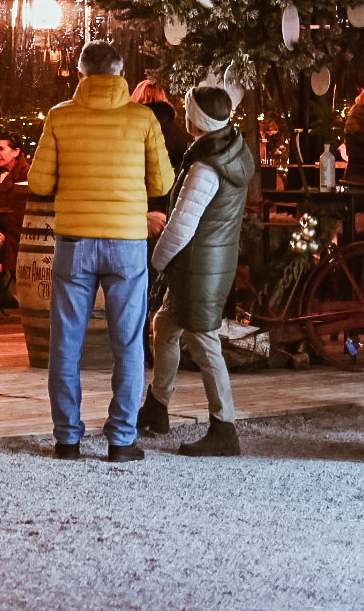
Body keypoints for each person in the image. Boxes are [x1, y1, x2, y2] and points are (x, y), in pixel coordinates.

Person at [29, 41, 174, 462]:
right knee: (128, 343)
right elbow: (162, 182)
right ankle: (122, 440)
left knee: (65, 343)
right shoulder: (143, 118)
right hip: (127, 243)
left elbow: (39, 183)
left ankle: (67, 439)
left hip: (74, 242)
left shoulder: (59, 116)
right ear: (120, 72)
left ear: (80, 73)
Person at [137, 87, 255, 457]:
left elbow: (182, 225)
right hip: (211, 262)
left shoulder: (206, 165)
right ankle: (157, 407)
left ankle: (224, 427)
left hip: (196, 264)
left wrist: (157, 262)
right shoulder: (231, 147)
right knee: (165, 326)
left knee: (204, 342)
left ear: (197, 119)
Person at [0, 133, 31, 276]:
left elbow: (20, 212)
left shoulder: (26, 175)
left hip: (14, 230)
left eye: (1, 149)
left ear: (16, 152)